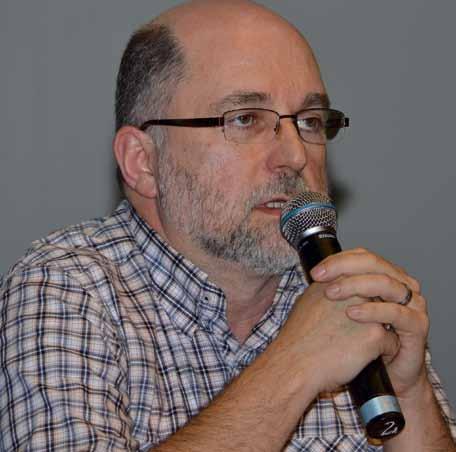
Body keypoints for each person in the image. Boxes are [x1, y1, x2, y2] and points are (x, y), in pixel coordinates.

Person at [1, 0, 455, 450]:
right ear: (143, 162)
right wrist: (295, 364)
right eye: (245, 119)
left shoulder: (344, 299)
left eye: (311, 121)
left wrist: (410, 393)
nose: (296, 155)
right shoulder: (68, 286)